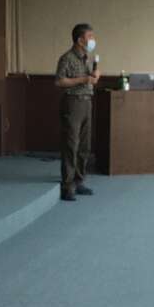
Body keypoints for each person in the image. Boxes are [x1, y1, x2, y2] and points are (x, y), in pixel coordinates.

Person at [55, 24, 100, 201]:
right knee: (71, 145)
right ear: (80, 40)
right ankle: (67, 185)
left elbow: (88, 80)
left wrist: (95, 76)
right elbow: (59, 81)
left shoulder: (87, 58)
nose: (93, 40)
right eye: (90, 37)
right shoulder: (67, 58)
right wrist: (84, 79)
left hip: (87, 102)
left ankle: (79, 181)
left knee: (84, 146)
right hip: (73, 103)